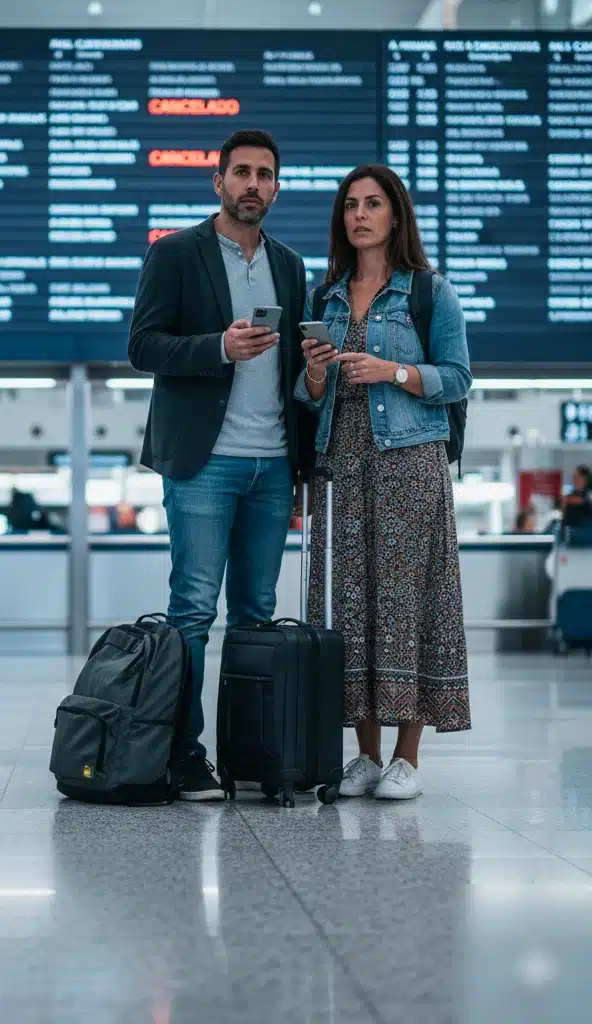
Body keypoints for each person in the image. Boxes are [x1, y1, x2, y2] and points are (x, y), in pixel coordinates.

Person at [128, 128, 315, 801]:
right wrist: (218, 347)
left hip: (273, 464)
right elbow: (143, 346)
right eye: (242, 172)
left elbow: (291, 370)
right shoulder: (176, 253)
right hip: (204, 462)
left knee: (257, 615)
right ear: (219, 182)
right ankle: (184, 755)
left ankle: (250, 754)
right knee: (192, 611)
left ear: (276, 188)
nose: (252, 185)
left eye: (264, 174)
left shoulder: (290, 265)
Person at [296, 164, 472, 801]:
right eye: (350, 206)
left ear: (396, 215)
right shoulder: (324, 298)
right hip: (341, 465)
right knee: (349, 605)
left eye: (373, 204)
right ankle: (365, 756)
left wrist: (392, 371)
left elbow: (457, 377)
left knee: (407, 603)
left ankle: (406, 757)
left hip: (409, 465)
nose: (360, 216)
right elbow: (308, 397)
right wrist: (317, 374)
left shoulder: (429, 293)